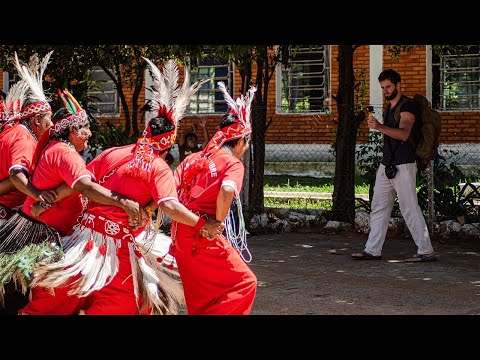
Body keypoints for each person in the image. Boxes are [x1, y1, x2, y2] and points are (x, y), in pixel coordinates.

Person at [24, 58, 224, 315]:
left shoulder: (114, 152)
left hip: (82, 240)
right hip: (115, 249)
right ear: (167, 144)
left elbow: (81, 184)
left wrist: (46, 201)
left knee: (60, 293)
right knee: (122, 302)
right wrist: (201, 223)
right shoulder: (158, 166)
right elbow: (171, 206)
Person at [0, 88, 143, 311]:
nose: (90, 134)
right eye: (85, 128)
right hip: (41, 236)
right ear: (71, 130)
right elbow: (84, 186)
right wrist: (122, 202)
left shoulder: (58, 149)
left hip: (41, 230)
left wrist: (49, 198)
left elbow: (76, 182)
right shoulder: (64, 153)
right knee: (50, 295)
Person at [170, 81, 258, 315]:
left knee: (201, 297)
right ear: (240, 141)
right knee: (244, 283)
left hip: (180, 233)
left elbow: (170, 192)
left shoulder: (193, 158)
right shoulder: (232, 163)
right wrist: (217, 222)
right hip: (203, 232)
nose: (246, 147)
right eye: (246, 142)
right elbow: (227, 190)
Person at [351, 69, 437, 262]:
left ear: (398, 85)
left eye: (388, 86)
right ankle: (372, 250)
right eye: (383, 87)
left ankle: (426, 250)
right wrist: (380, 125)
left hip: (404, 164)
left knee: (409, 208)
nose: (385, 90)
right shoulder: (390, 107)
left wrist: (379, 127)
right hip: (387, 164)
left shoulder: (408, 107)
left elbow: (404, 134)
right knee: (379, 207)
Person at [0, 51, 60, 314]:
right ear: (37, 120)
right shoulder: (24, 138)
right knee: (15, 287)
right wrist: (37, 194)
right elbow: (16, 175)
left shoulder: (10, 132)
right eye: (49, 121)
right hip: (6, 218)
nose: (52, 125)